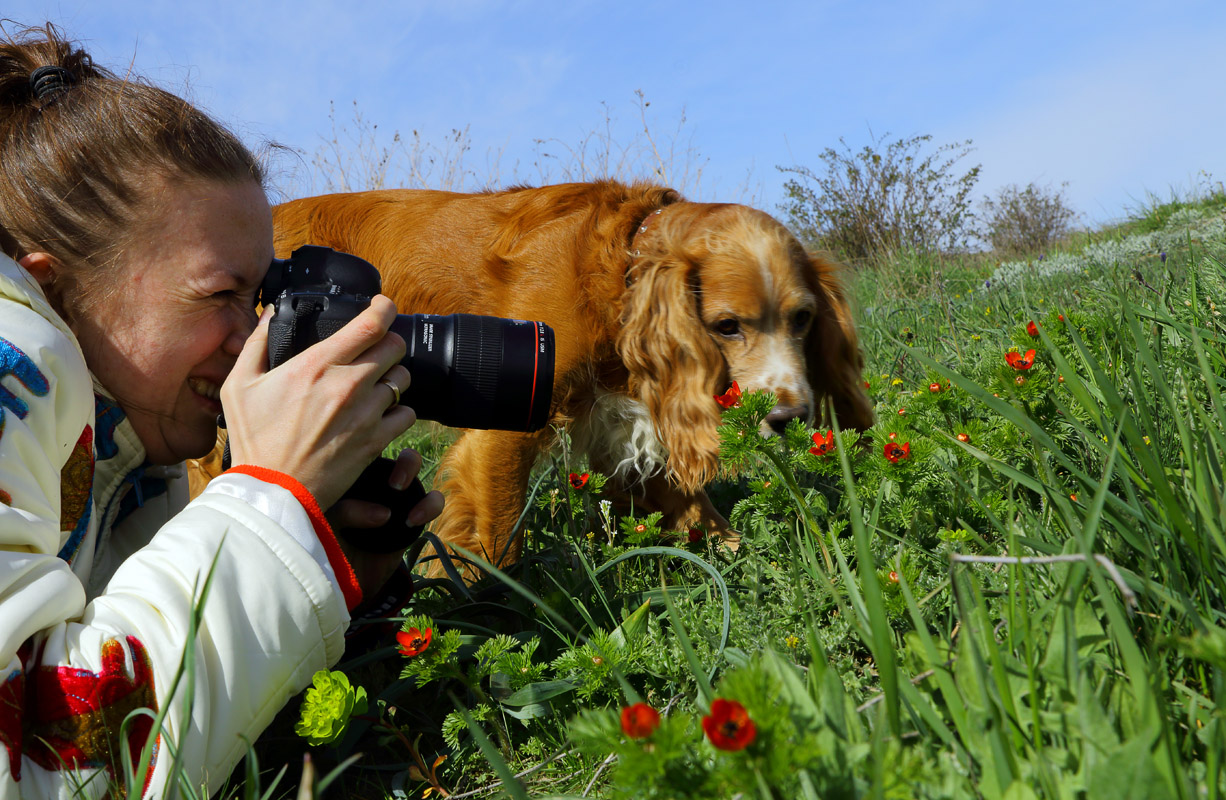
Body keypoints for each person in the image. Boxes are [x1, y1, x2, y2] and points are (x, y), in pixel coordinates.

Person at [0, 23, 443, 798]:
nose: (256, 344)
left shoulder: (133, 448)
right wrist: (265, 507)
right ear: (55, 289)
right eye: (220, 296)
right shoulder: (15, 354)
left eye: (262, 296)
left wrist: (322, 566)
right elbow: (35, 765)